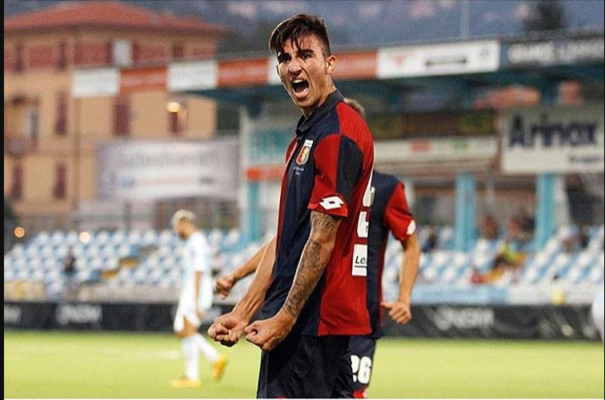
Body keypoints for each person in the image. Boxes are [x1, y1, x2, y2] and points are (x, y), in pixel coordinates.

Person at [209, 14, 374, 398]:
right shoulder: (307, 135)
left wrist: (285, 317)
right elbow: (288, 238)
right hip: (313, 323)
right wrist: (244, 311)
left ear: (329, 64)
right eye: (284, 59)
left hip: (311, 323)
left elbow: (321, 239)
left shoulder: (336, 134)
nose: (294, 66)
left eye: (305, 55)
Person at [170, 210, 227, 388]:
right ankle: (215, 358)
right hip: (191, 291)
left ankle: (192, 376)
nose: (176, 230)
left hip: (196, 292)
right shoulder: (192, 242)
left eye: (177, 226)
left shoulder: (197, 242)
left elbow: (199, 271)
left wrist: (195, 301)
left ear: (184, 224)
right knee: (181, 330)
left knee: (188, 330)